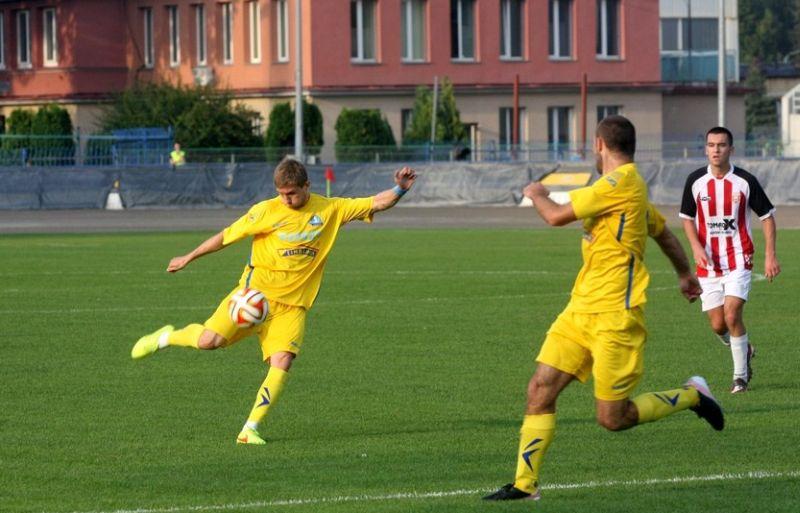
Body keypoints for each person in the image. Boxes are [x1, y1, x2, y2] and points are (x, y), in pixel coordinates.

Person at [484, 115, 722, 502]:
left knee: (613, 418)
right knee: (540, 388)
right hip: (580, 310)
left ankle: (694, 395)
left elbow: (555, 216)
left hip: (616, 316)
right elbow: (661, 231)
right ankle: (525, 485)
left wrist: (537, 192)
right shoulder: (623, 192)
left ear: (599, 145)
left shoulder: (621, 182)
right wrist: (684, 274)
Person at [131, 159, 417, 444]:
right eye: (281, 193)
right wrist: (188, 257)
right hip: (253, 298)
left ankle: (249, 429)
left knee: (282, 361)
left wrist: (400, 189)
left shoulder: (330, 208)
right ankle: (165, 338)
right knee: (208, 342)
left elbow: (376, 202)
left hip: (292, 308)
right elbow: (226, 237)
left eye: (291, 193)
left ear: (307, 186)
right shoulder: (265, 211)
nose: (286, 199)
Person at [680, 127, 780, 394]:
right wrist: (696, 247)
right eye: (711, 145)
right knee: (718, 324)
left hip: (738, 259)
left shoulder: (745, 181)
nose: (716, 150)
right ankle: (745, 349)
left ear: (731, 149)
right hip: (708, 265)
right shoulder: (695, 181)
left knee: (732, 313)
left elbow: (767, 217)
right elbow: (686, 218)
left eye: (721, 145)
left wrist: (770, 255)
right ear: (705, 148)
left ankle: (740, 378)